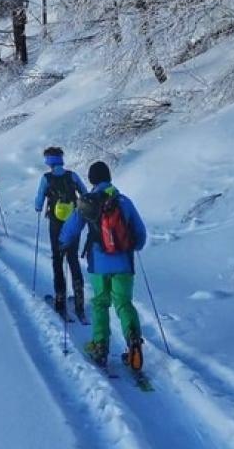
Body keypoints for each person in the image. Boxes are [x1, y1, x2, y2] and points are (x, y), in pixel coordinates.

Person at [58, 161, 147, 374]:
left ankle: (100, 347)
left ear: (91, 179)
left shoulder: (88, 202)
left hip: (99, 264)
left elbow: (71, 229)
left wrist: (62, 243)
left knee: (100, 304)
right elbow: (141, 234)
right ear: (109, 178)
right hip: (124, 264)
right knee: (124, 304)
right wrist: (132, 246)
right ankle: (133, 340)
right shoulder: (124, 201)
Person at [34, 146, 87, 320]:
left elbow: (39, 200)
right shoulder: (72, 176)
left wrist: (39, 207)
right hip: (73, 222)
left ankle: (60, 300)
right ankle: (79, 302)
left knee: (57, 259)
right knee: (73, 259)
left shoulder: (46, 178)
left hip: (56, 224)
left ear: (49, 161)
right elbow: (85, 193)